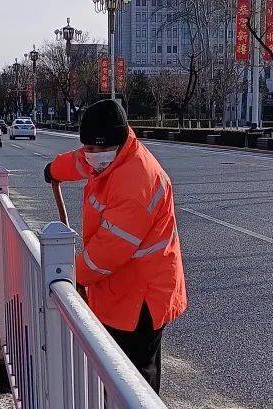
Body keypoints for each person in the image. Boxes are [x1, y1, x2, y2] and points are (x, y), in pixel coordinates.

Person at [44, 99, 186, 393]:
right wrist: (54, 170)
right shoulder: (107, 155)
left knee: (136, 382)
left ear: (118, 143)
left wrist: (71, 276)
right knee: (111, 371)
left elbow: (105, 255)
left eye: (97, 149)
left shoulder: (138, 180)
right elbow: (80, 160)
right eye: (88, 148)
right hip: (118, 288)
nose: (91, 156)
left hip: (142, 299)